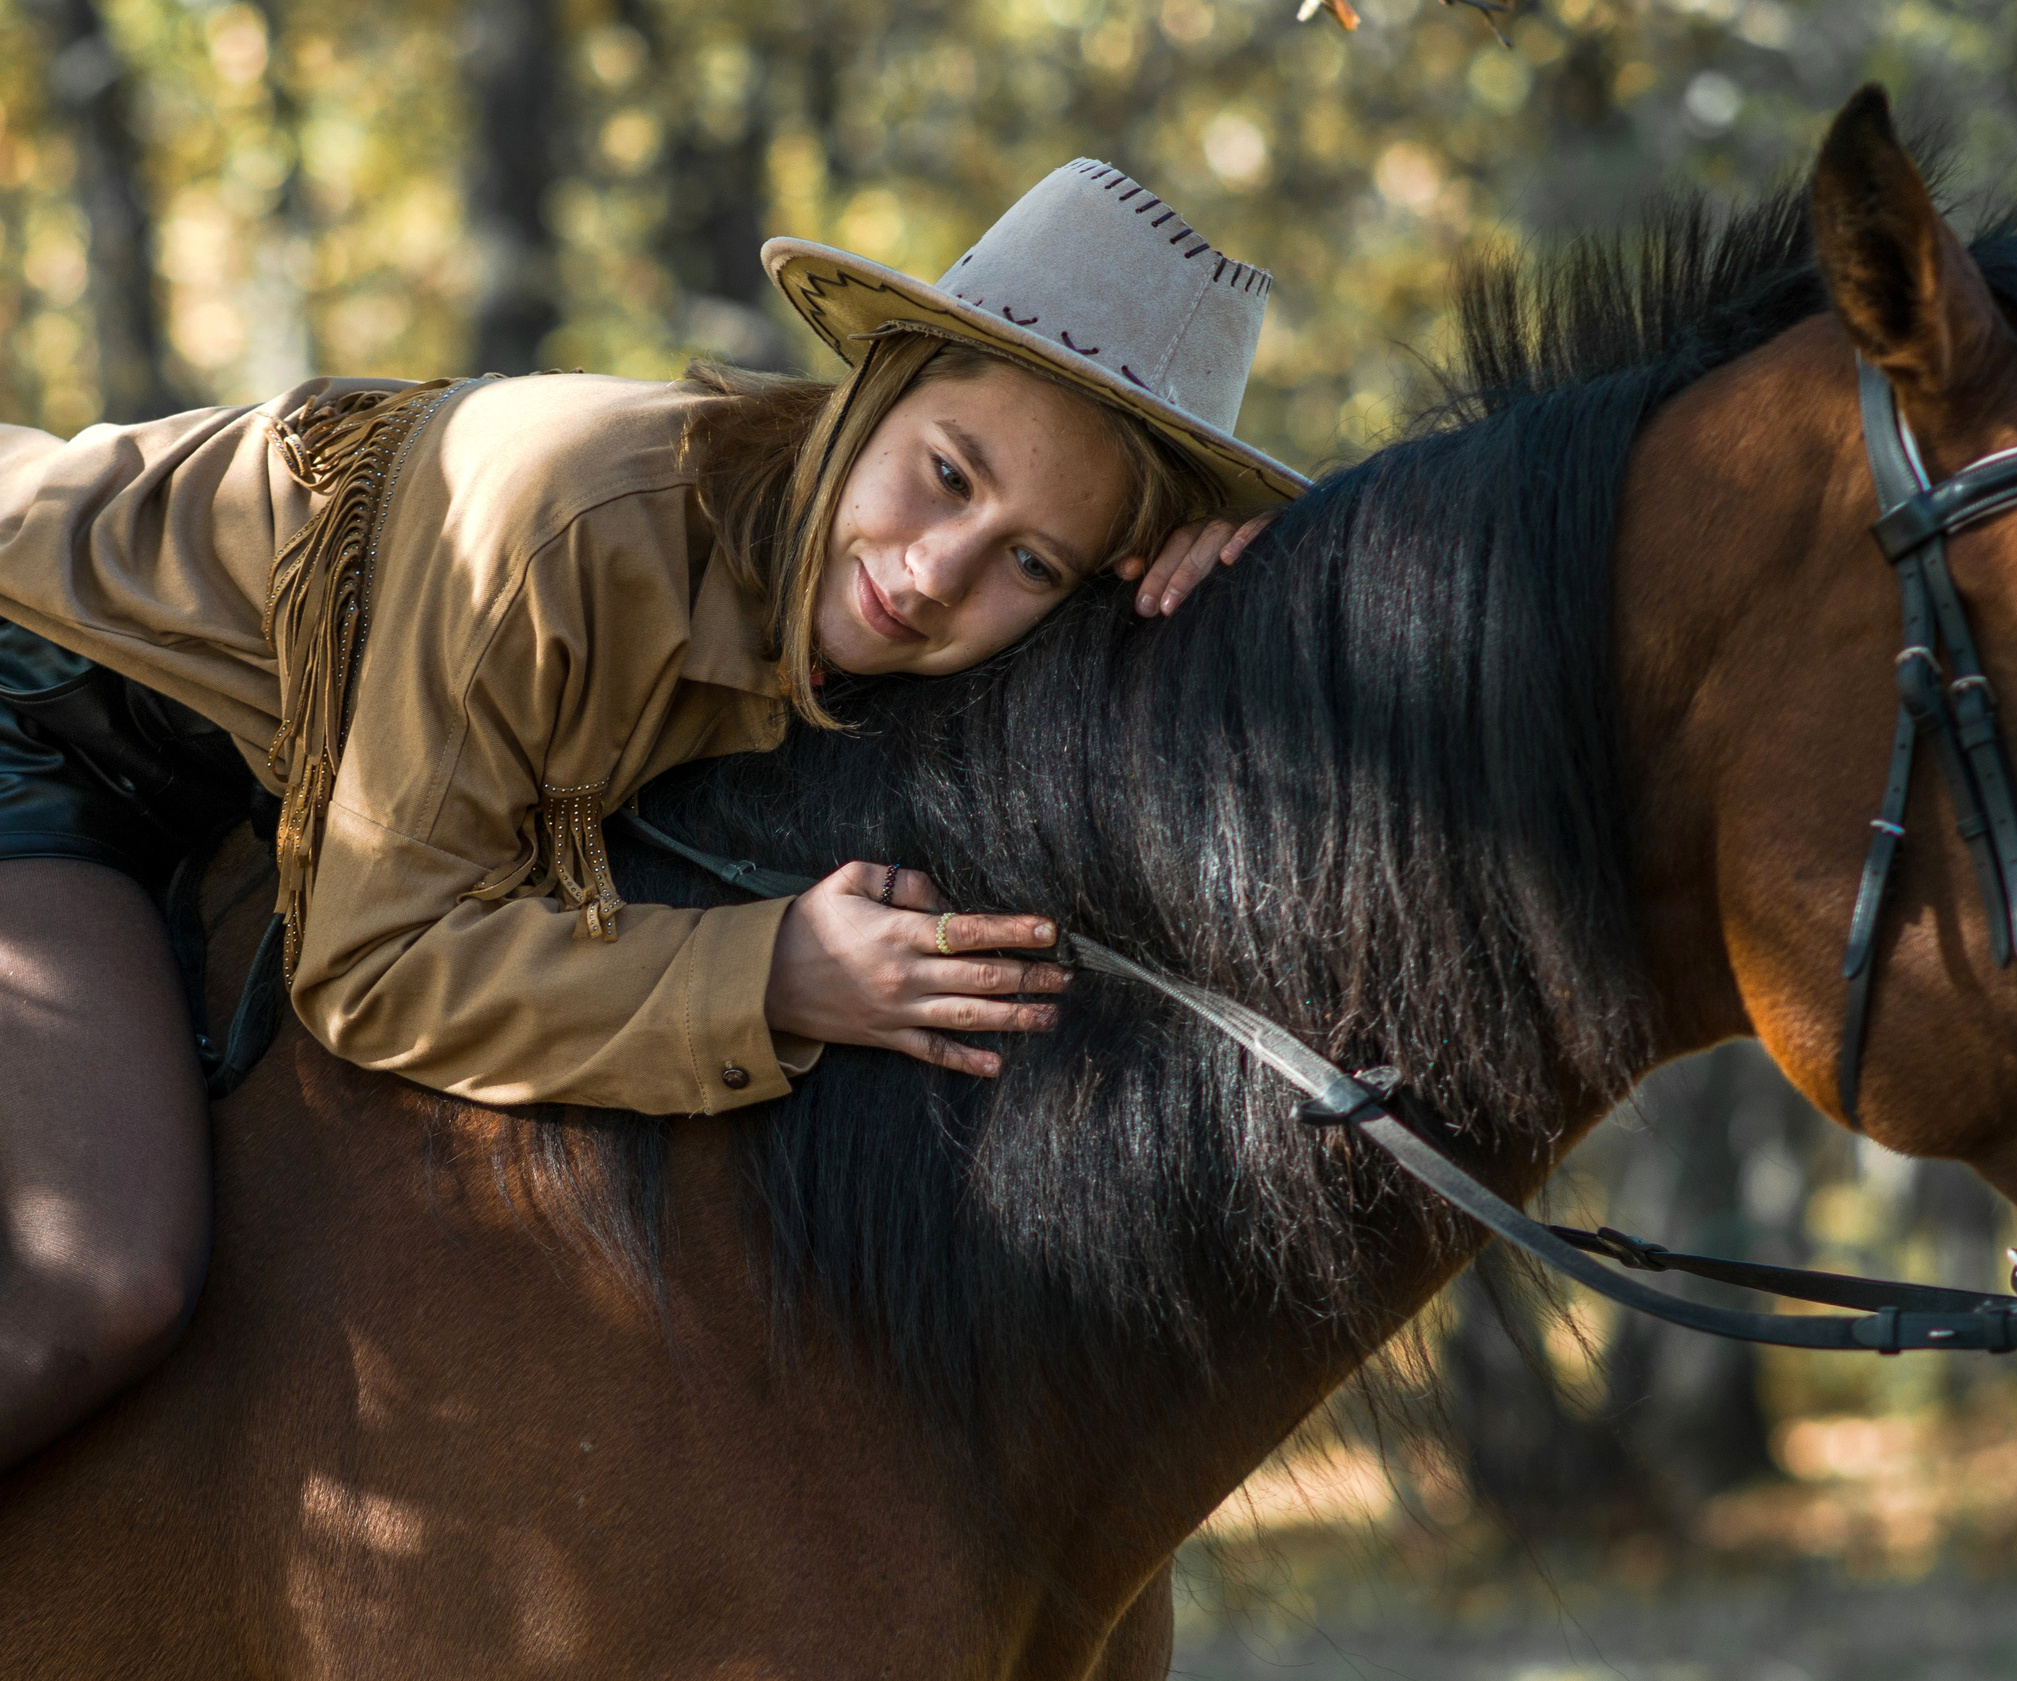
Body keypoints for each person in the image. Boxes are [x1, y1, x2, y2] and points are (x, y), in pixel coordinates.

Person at [0, 159, 1303, 1469]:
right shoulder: (574, 518)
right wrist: (773, 974)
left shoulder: (874, 602)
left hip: (229, 783)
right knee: (97, 1281)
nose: (934, 572)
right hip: (44, 703)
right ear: (879, 390)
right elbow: (378, 960)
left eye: (1033, 560)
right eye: (949, 475)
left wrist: (1210, 599)